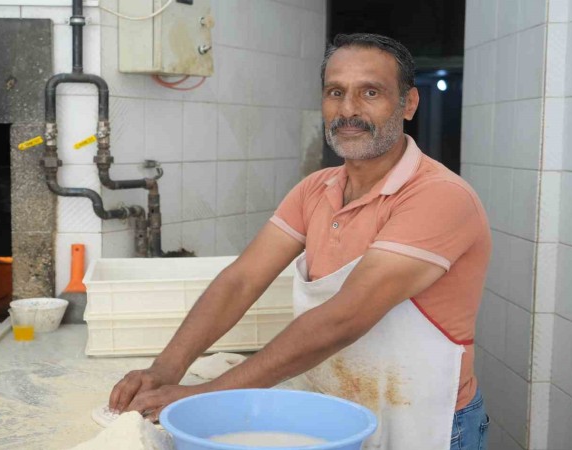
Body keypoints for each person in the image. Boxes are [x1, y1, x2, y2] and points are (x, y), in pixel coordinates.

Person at [109, 33, 491, 450]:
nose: (348, 110)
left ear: (409, 103)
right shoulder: (315, 189)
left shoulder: (439, 196)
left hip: (425, 424)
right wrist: (165, 369)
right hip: (328, 418)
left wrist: (205, 397)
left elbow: (344, 318)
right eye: (335, 92)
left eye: (370, 92)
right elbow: (241, 280)